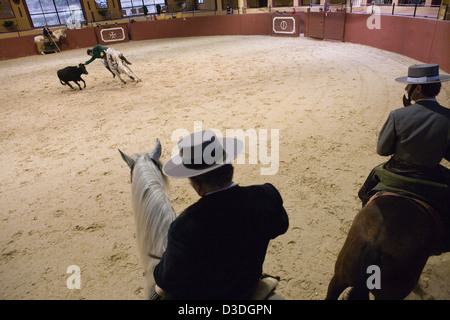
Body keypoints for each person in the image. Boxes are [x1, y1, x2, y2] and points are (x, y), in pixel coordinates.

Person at [154, 130, 289, 299]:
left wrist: (158, 267)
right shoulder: (266, 196)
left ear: (196, 184)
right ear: (229, 168)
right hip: (247, 288)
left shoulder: (184, 227)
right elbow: (281, 226)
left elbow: (166, 279)